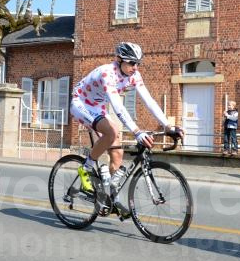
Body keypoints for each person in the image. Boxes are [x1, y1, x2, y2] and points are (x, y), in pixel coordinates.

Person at [70, 42, 183, 217]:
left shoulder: (134, 75)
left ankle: (110, 199)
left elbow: (149, 101)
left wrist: (168, 126)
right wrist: (137, 131)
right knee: (112, 131)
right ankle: (86, 167)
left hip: (98, 106)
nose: (135, 67)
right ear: (119, 60)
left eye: (138, 63)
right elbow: (118, 106)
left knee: (118, 154)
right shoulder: (108, 72)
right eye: (131, 63)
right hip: (81, 103)